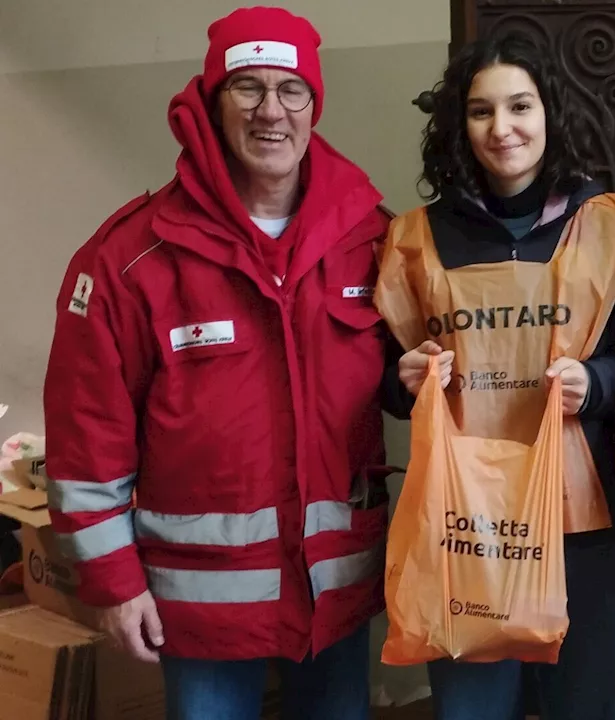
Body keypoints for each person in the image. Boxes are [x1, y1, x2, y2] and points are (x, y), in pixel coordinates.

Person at [43, 7, 391, 719]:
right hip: (195, 610)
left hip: (336, 594)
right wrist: (113, 581)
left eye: (292, 89)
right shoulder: (129, 259)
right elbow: (86, 439)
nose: (272, 111)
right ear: (210, 102)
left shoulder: (373, 239)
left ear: (314, 104)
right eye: (247, 87)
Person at [379, 31, 615, 720]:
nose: (503, 129)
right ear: (458, 125)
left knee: (593, 705)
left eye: (520, 107)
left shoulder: (608, 227)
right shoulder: (416, 238)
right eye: (480, 111)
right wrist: (403, 378)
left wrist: (601, 383)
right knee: (473, 709)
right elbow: (385, 376)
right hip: (469, 526)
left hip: (587, 521)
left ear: (549, 115)